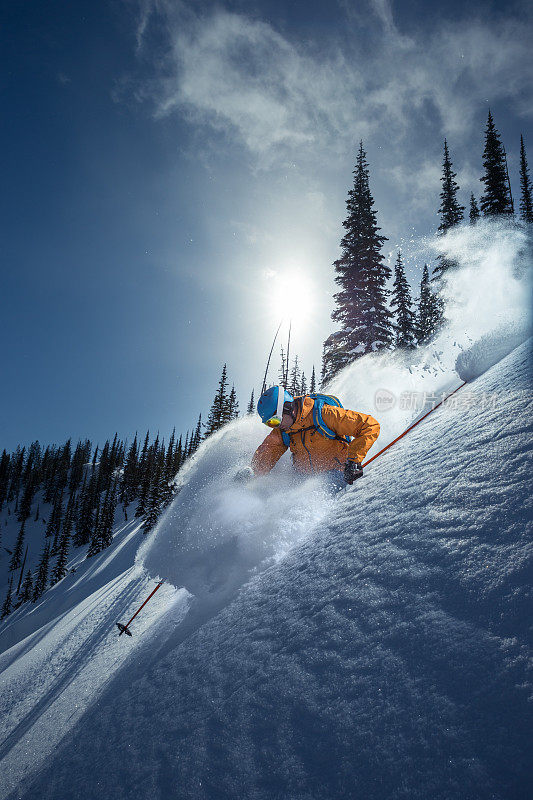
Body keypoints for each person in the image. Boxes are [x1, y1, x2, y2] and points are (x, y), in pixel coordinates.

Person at [249, 385, 380, 486]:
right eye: (270, 424)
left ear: (287, 407)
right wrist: (251, 474)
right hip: (301, 480)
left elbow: (369, 425)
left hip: (337, 474)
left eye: (275, 420)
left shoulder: (323, 414)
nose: (276, 426)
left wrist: (354, 461)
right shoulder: (284, 429)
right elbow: (268, 451)